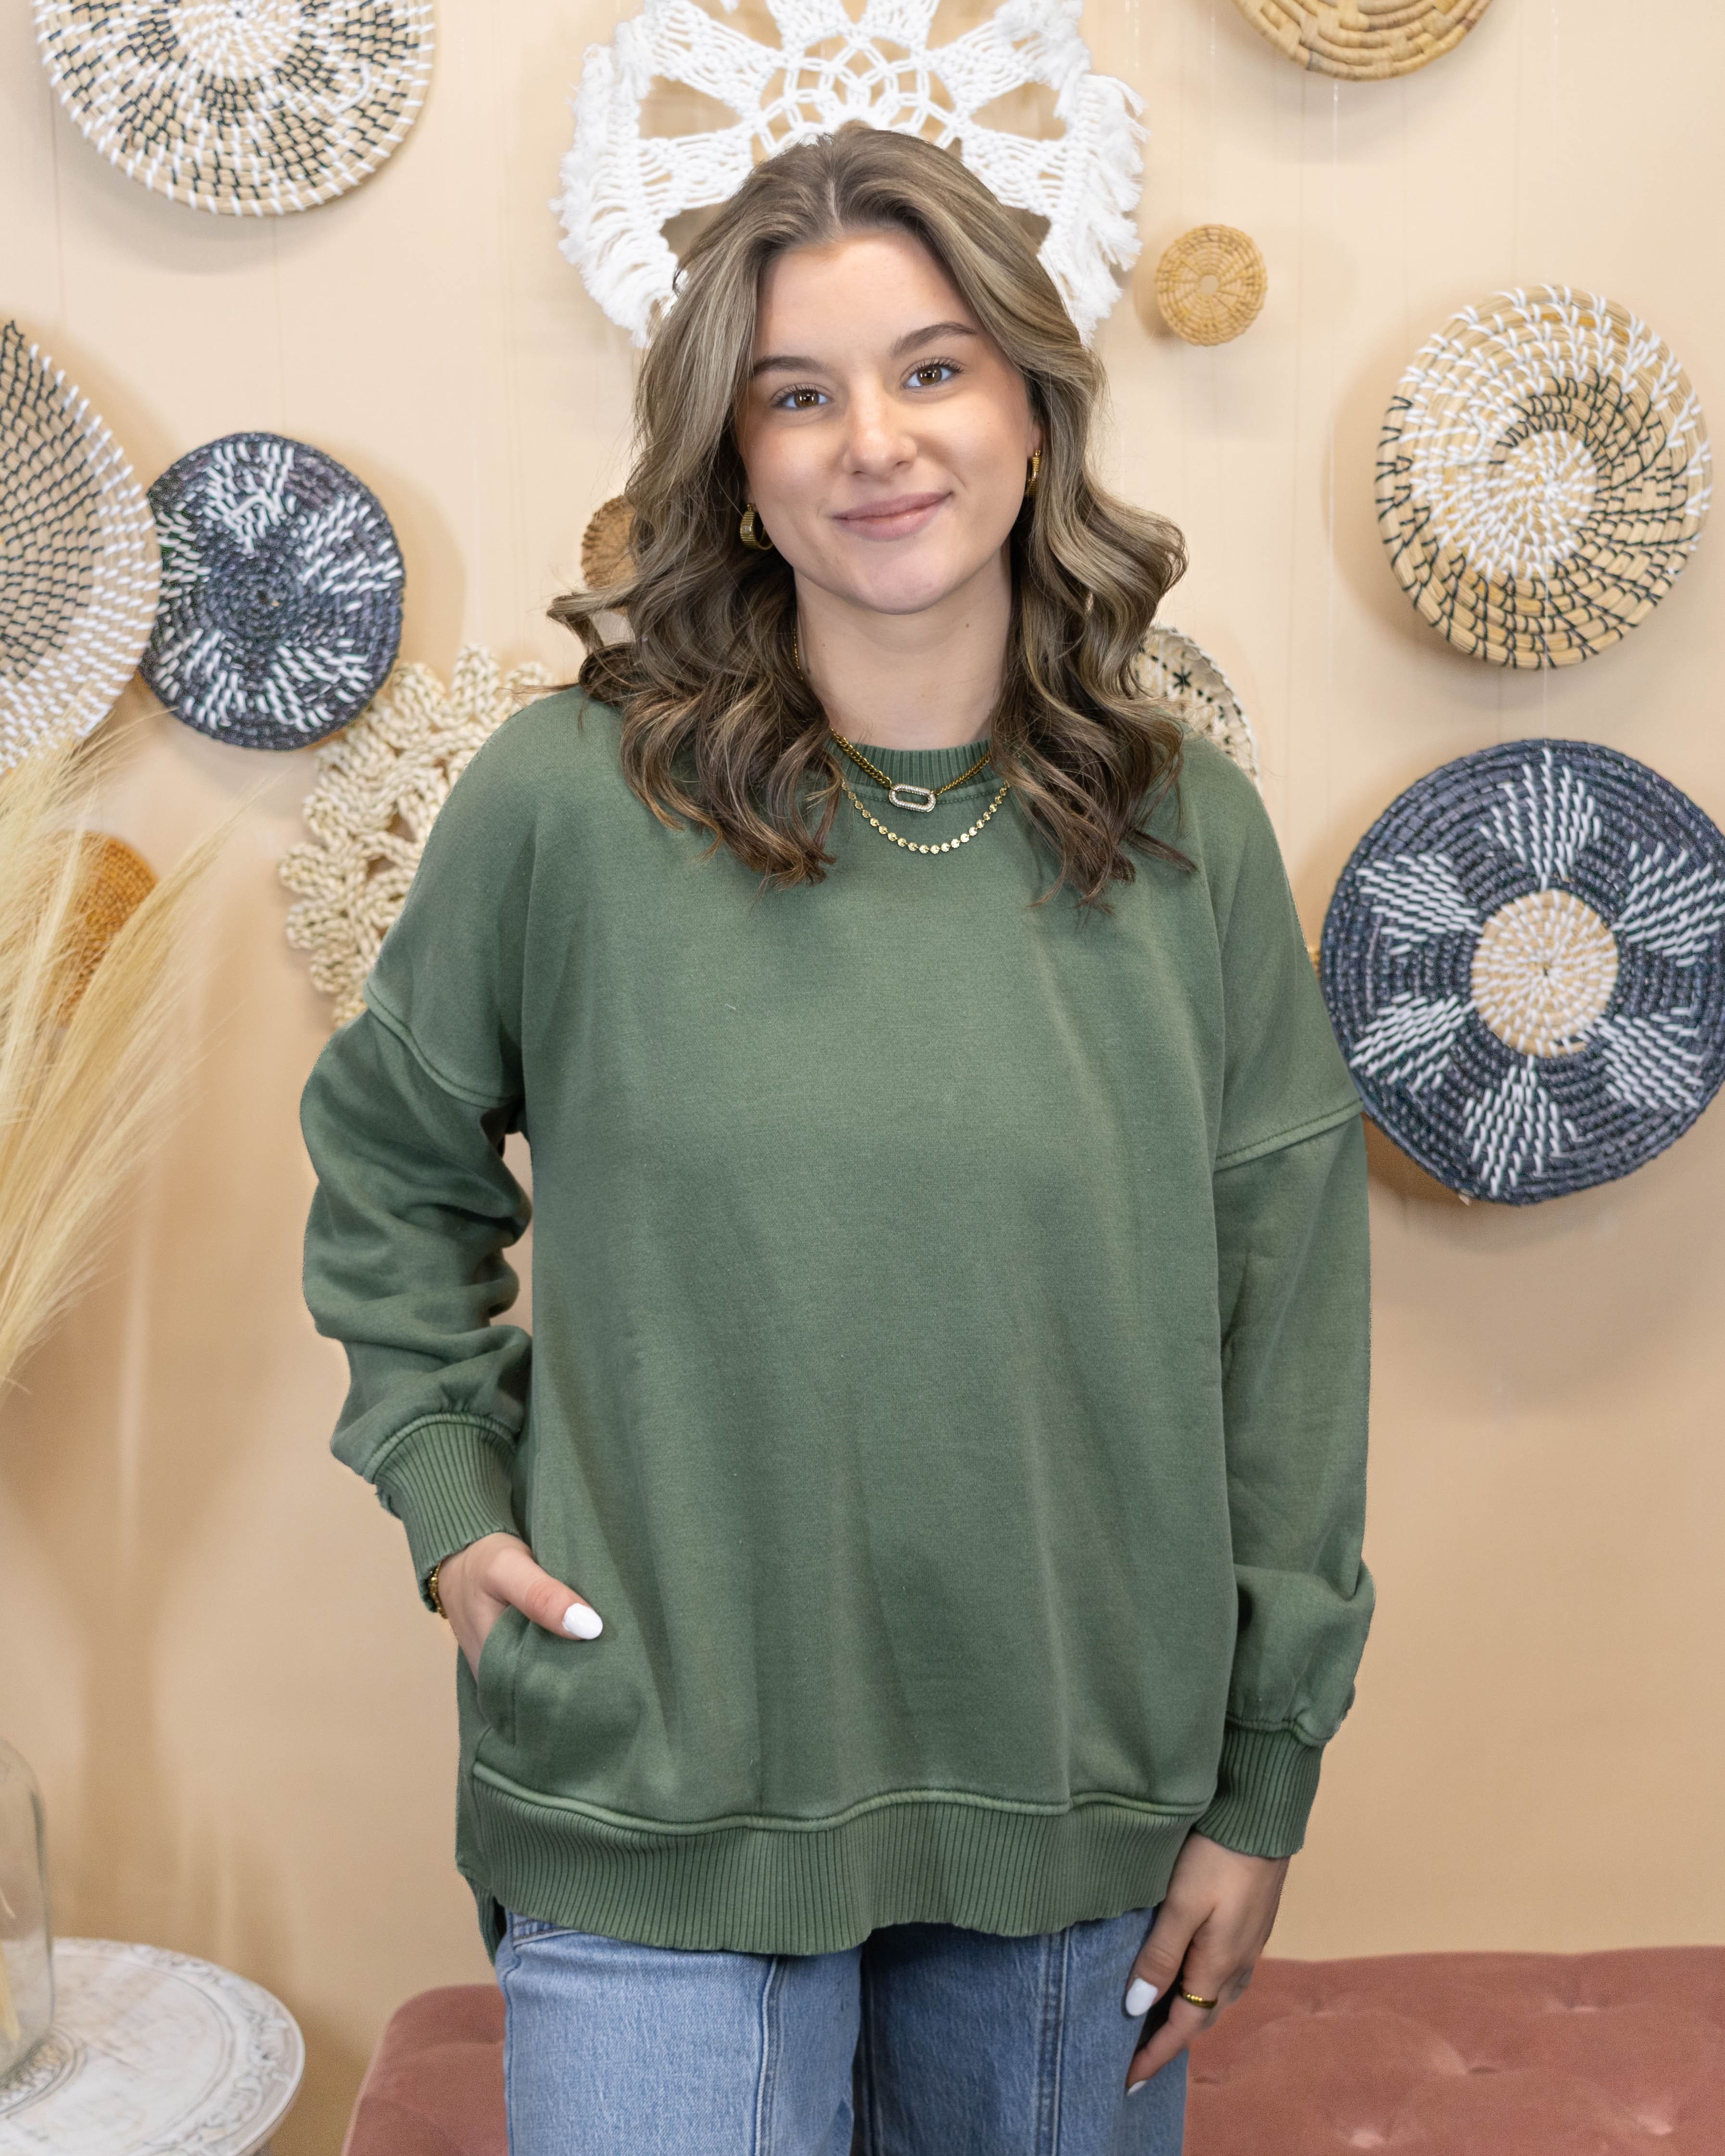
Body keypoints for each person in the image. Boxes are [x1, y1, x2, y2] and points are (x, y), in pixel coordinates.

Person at [300, 122, 1372, 2156]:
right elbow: (386, 1164)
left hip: (1077, 1801)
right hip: (649, 1779)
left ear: (1032, 410)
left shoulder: (1186, 839)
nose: (874, 442)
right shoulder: (567, 804)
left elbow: (1290, 1326)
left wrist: (1264, 1775)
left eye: (932, 369)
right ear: (734, 455)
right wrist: (448, 1491)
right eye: (798, 394)